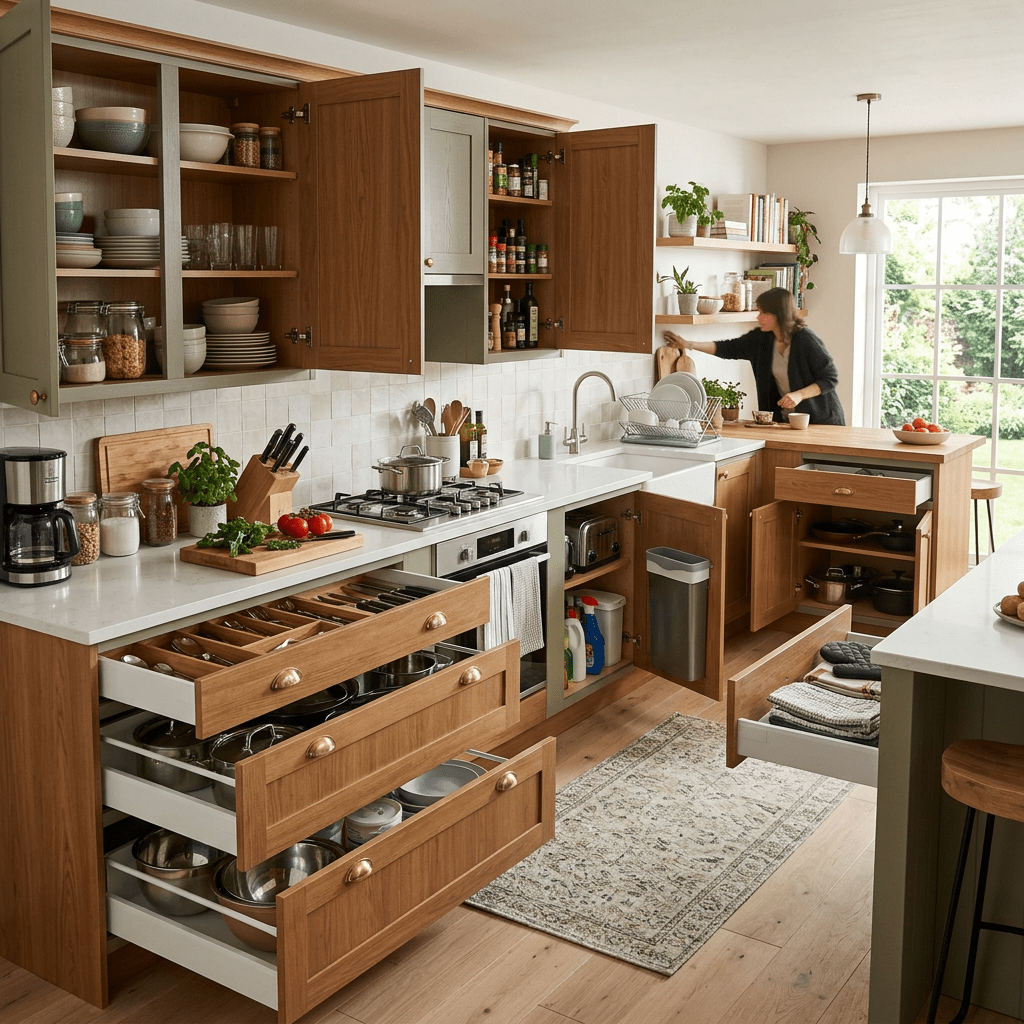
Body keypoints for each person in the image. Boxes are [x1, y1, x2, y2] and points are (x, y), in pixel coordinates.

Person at [663, 286, 845, 425]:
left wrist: (798, 395)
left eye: (763, 313)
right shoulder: (761, 340)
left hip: (821, 421)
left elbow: (830, 378)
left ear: (779, 314)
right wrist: (688, 344)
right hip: (783, 424)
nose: (759, 317)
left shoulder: (806, 340)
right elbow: (727, 348)